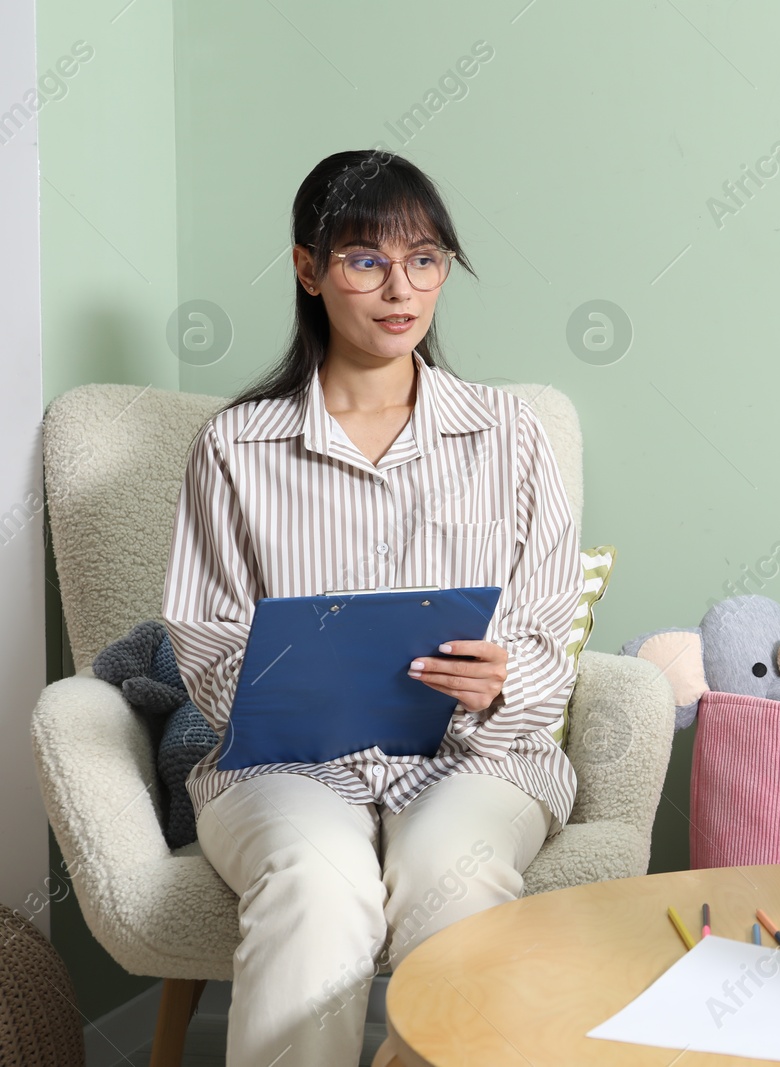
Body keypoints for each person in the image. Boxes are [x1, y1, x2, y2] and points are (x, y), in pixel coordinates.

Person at [162, 149, 583, 1067]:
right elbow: (203, 638)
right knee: (316, 881)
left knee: (453, 875)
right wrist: (294, 685)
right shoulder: (235, 445)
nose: (401, 289)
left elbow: (551, 632)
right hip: (285, 767)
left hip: (480, 758)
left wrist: (504, 680)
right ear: (309, 268)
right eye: (366, 260)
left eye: (424, 260)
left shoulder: (513, 435)